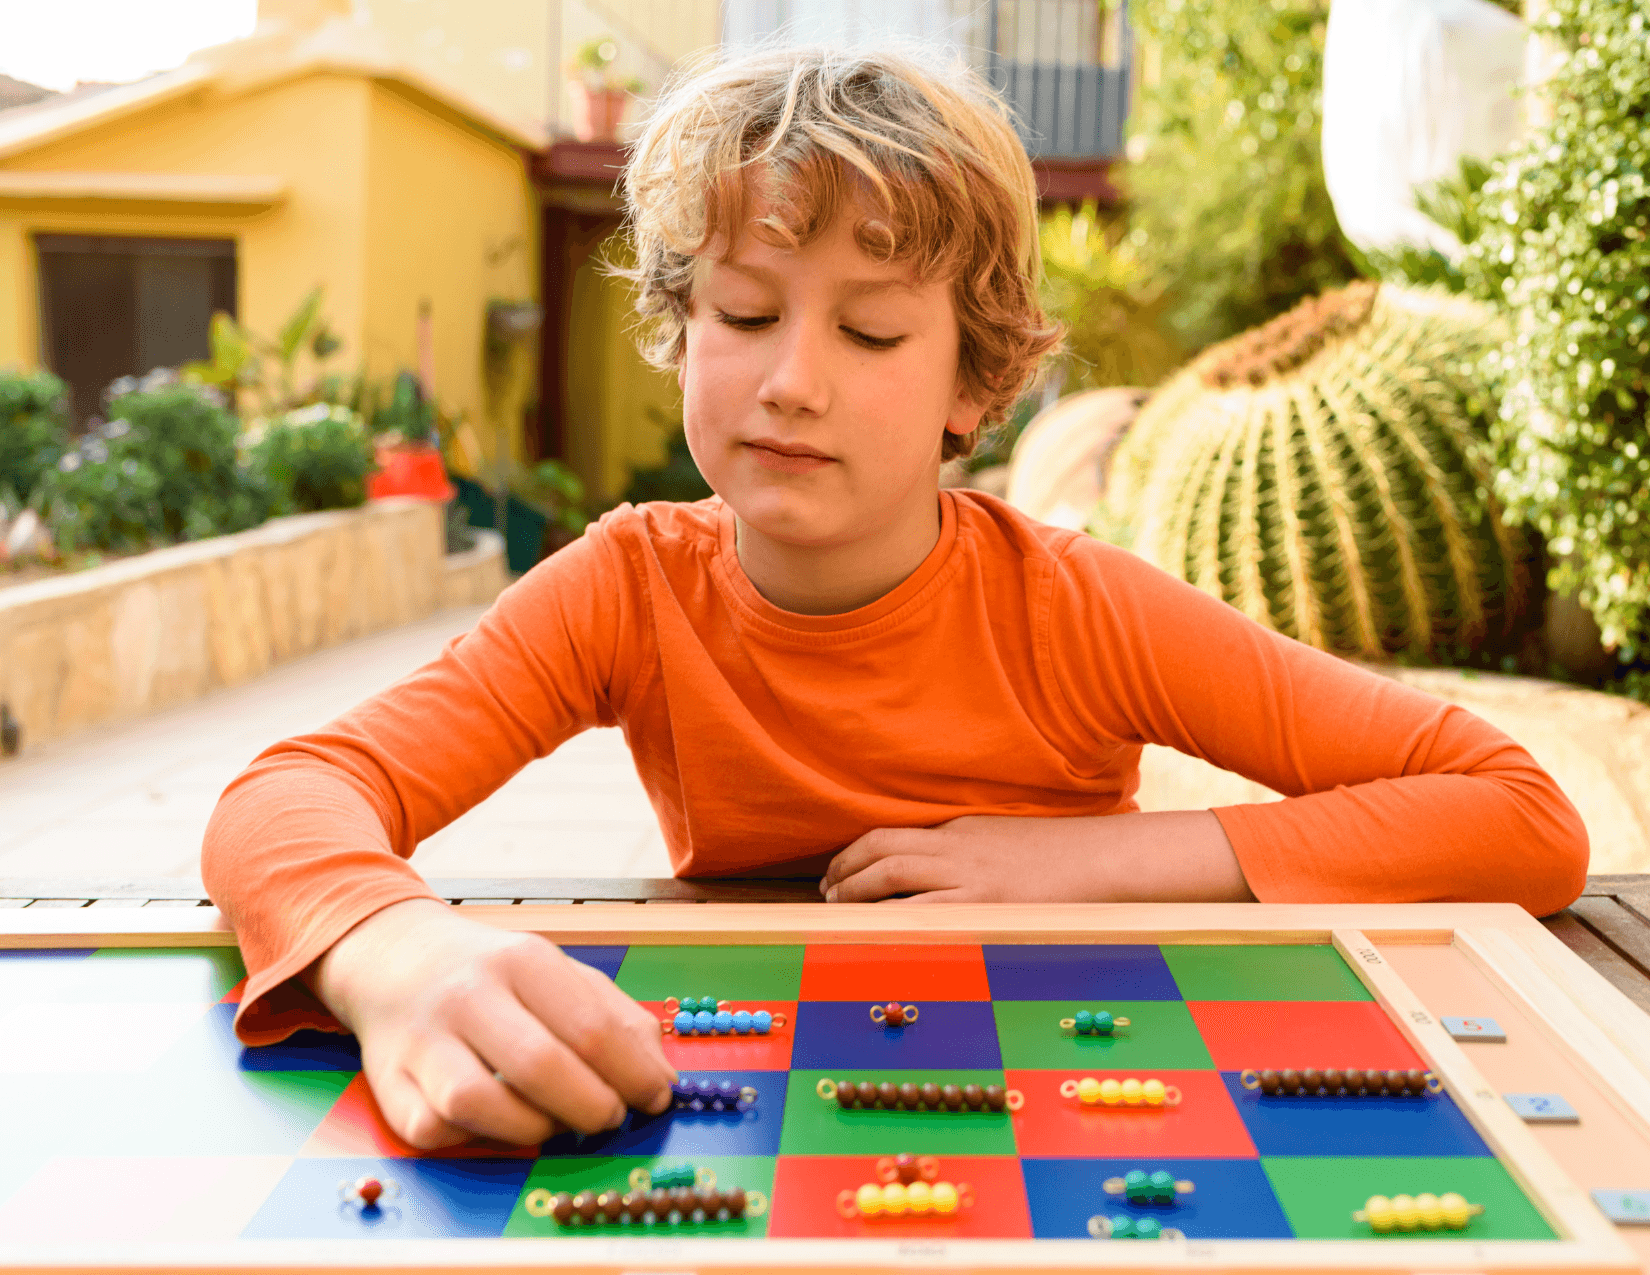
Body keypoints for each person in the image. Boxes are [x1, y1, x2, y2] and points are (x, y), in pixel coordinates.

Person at [202, 44, 1588, 1153]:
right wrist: (392, 953)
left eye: (869, 330)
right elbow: (291, 796)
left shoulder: (1078, 608)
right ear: (682, 334)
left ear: (973, 385)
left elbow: (1516, 813)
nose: (791, 380)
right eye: (746, 314)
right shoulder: (626, 587)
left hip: (1083, 1097)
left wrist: (1077, 862)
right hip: (757, 1102)